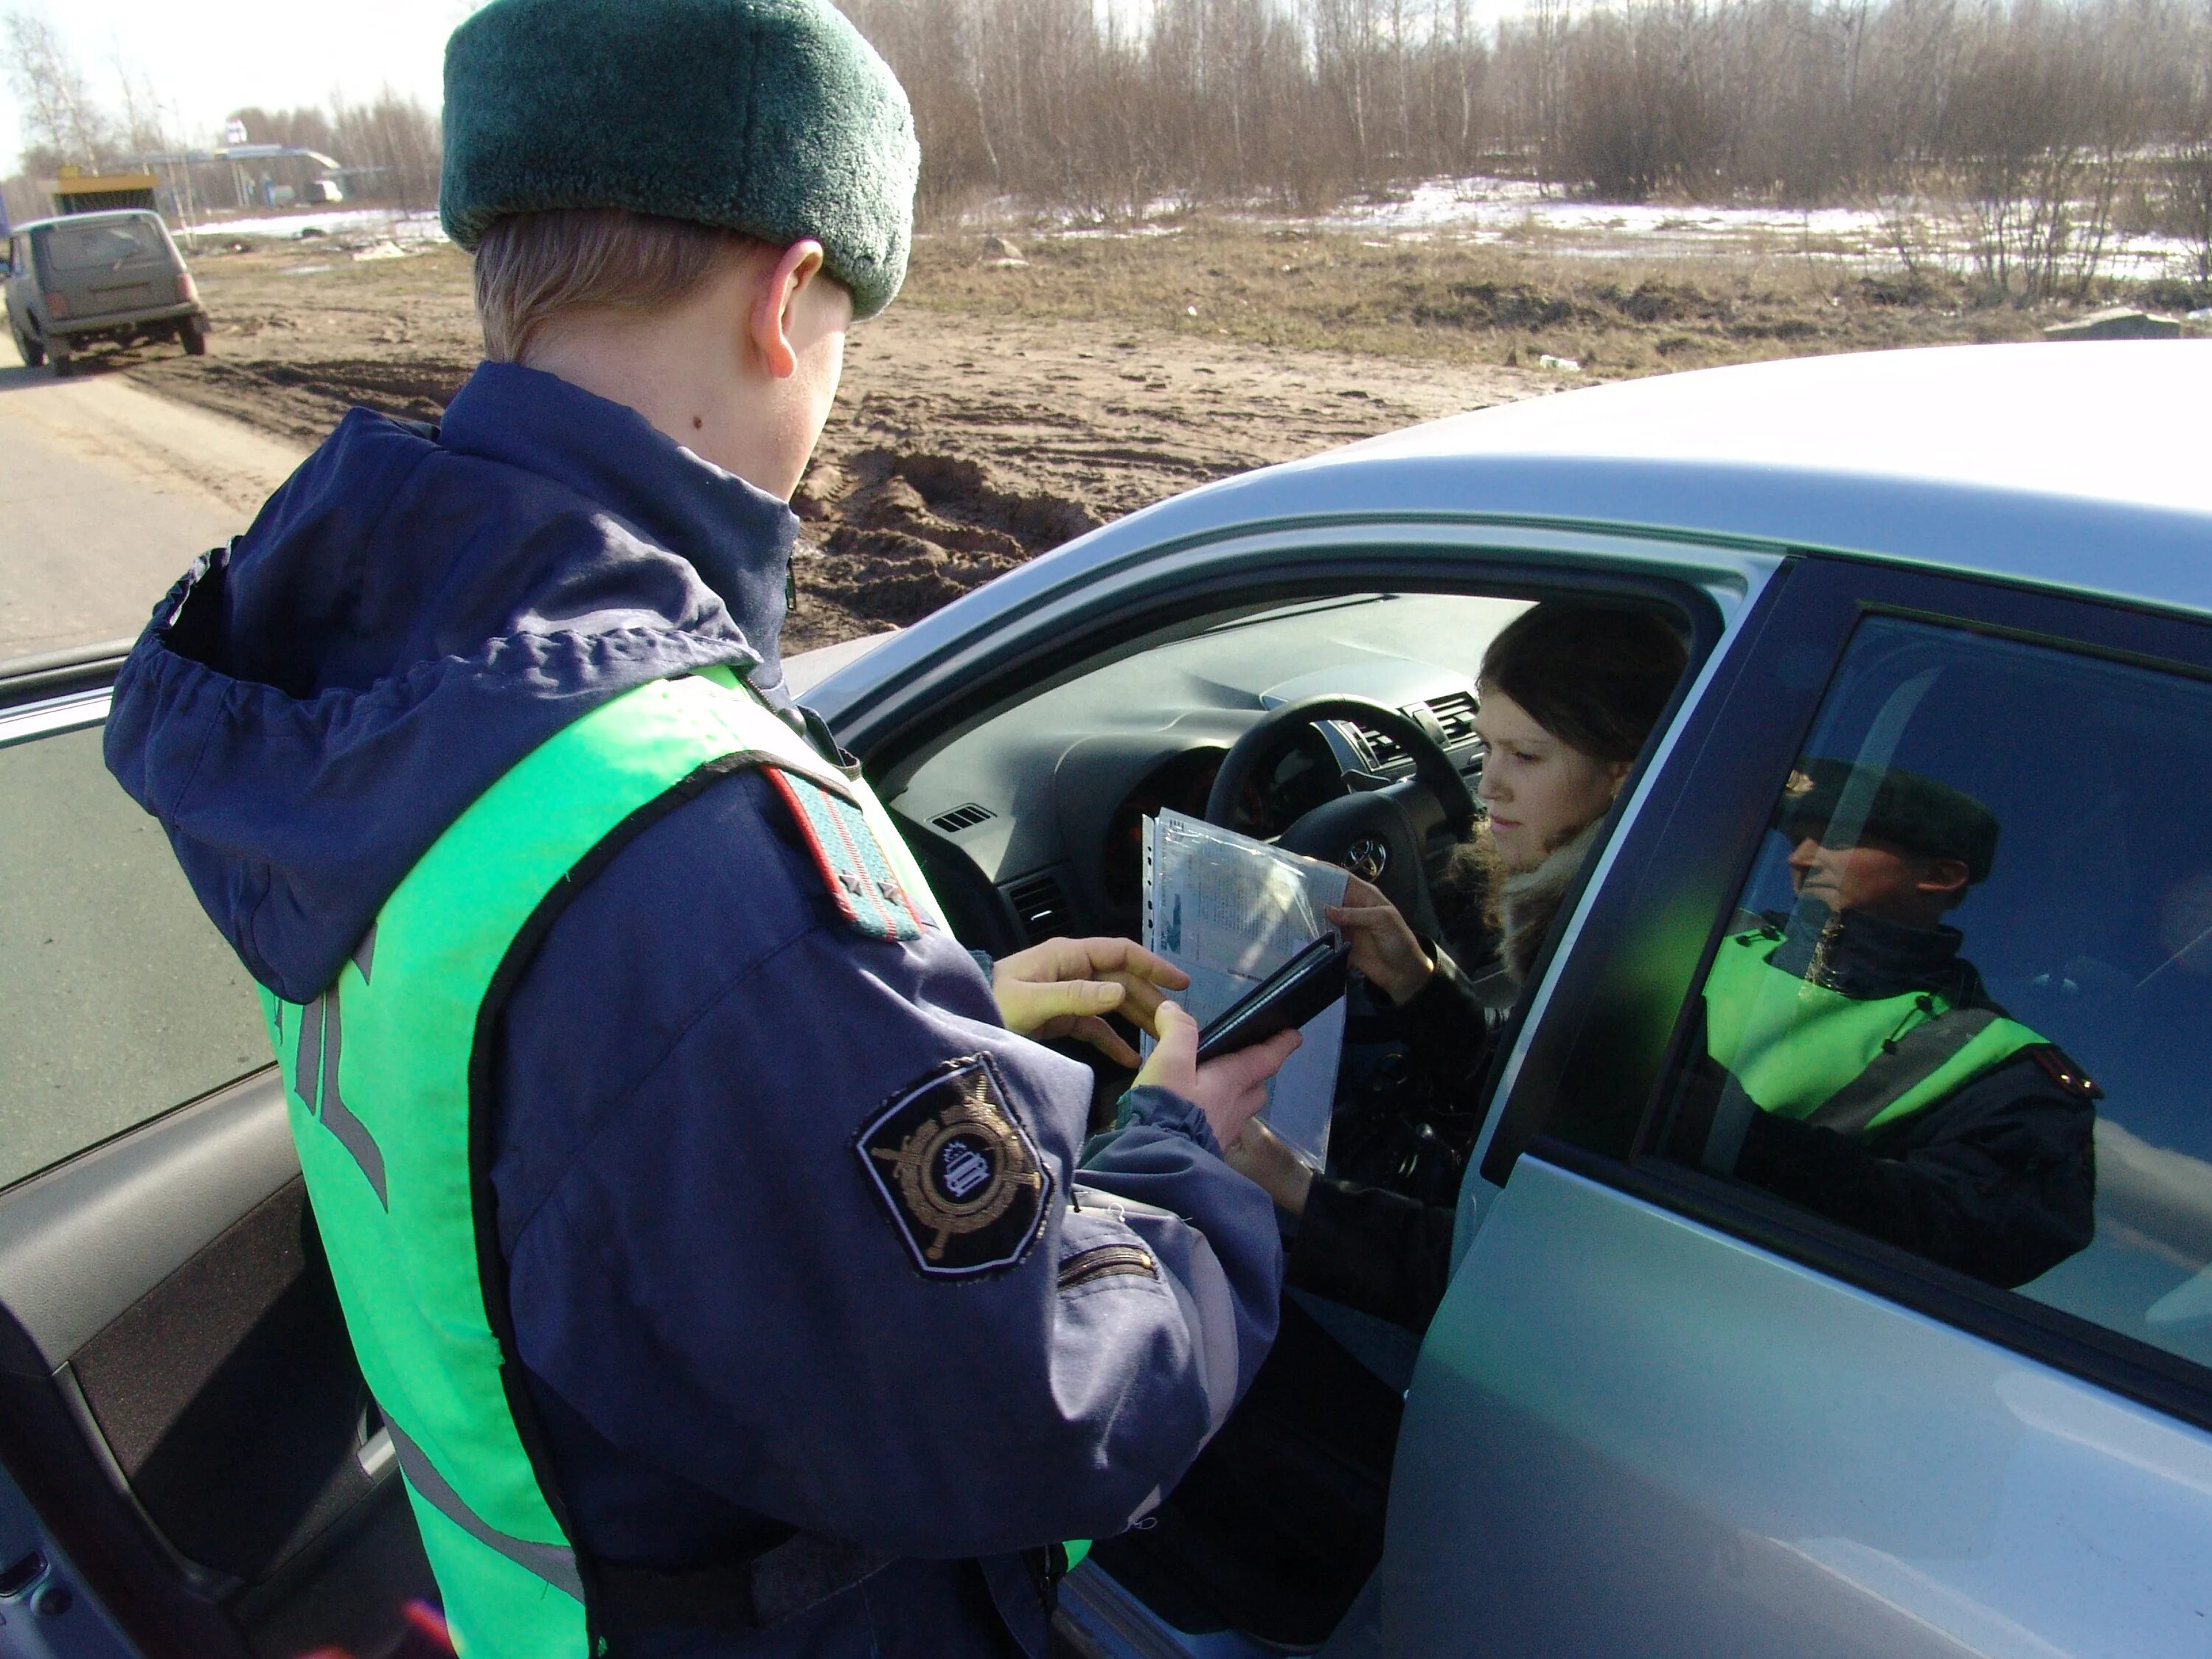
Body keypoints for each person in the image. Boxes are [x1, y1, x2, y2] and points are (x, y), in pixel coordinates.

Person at [102, 2, 1297, 1655]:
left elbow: (571, 1098)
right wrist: (1184, 1147)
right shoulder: (689, 837)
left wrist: (912, 1031)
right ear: (785, 297)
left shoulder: (375, 676)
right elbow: (1036, 1403)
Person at [1229, 602, 1688, 1329]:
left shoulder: (1636, 975)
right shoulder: (1646, 900)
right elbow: (1538, 1092)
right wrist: (1417, 981)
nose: (1488, 785)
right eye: (1487, 747)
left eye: (1528, 757)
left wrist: (1291, 1184)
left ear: (1623, 774)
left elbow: (1522, 1273)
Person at [1667, 759, 2098, 1289]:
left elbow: (1977, 1235)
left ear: (1940, 876)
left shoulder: (2007, 1069)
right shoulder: (1695, 931)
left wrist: (1731, 1132)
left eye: (1836, 839)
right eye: (1798, 838)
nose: (1801, 859)